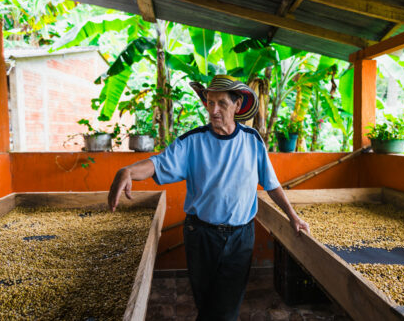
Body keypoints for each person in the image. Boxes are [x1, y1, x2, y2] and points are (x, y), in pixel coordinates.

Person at [108, 75, 310, 321]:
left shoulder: (252, 141)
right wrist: (127, 171)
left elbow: (271, 184)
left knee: (225, 309)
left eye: (221, 103)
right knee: (207, 303)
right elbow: (156, 164)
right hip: (201, 235)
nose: (213, 110)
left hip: (241, 237)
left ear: (237, 105)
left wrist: (293, 216)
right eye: (209, 102)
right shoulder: (192, 142)